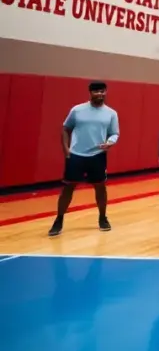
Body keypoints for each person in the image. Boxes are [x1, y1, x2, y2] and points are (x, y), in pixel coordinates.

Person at [48, 81, 119, 237]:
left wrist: (110, 142)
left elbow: (114, 133)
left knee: (100, 187)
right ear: (90, 93)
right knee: (68, 187)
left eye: (102, 91)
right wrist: (66, 150)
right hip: (76, 155)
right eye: (96, 91)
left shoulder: (111, 113)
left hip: (98, 156)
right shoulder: (77, 110)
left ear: (105, 92)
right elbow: (66, 129)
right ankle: (59, 220)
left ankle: (102, 217)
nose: (99, 94)